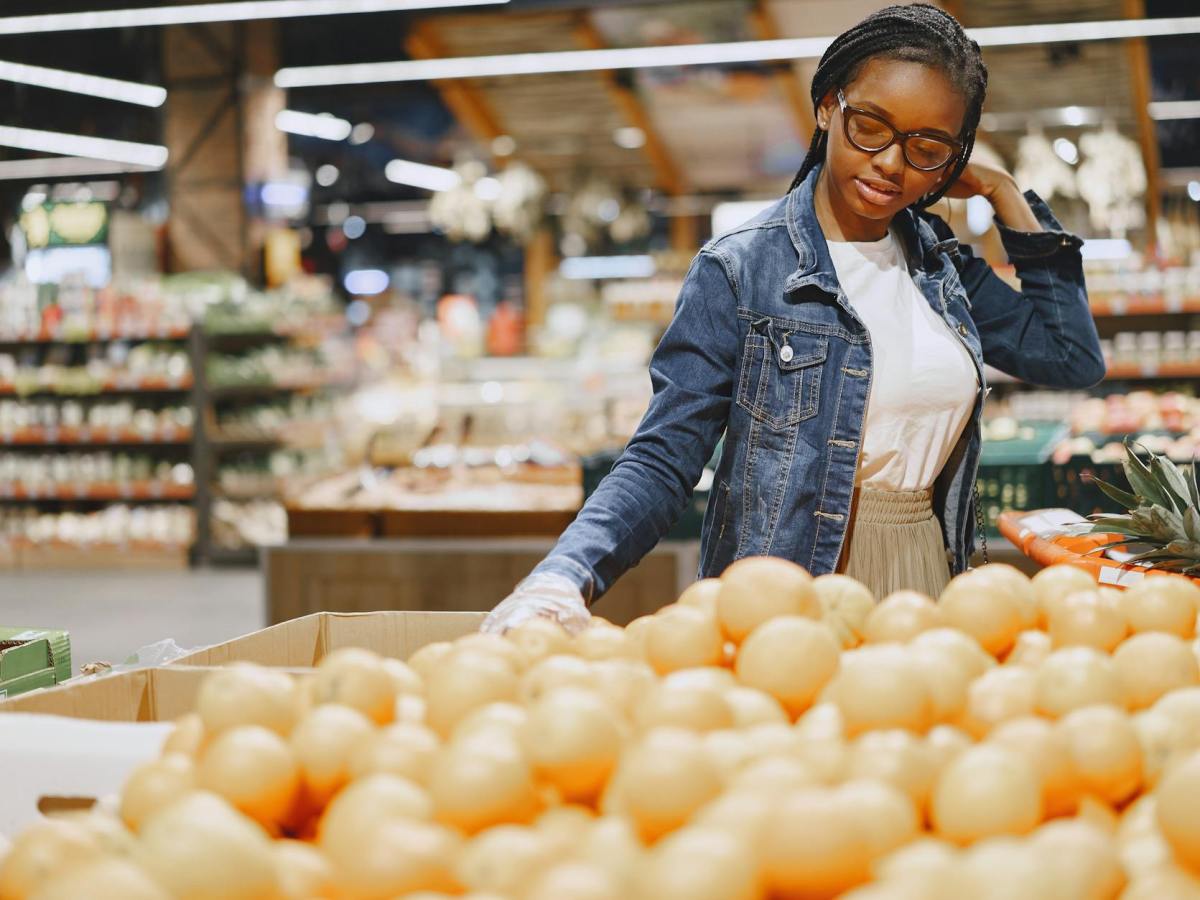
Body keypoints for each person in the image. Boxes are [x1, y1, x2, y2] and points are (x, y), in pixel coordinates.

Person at [483, 2, 1105, 635]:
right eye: (871, 126)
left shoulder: (940, 267)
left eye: (927, 147)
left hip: (929, 588)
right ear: (828, 105)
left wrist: (1003, 191)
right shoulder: (742, 269)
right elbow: (663, 457)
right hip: (788, 598)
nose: (891, 162)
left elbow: (1071, 356)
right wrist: (563, 575)